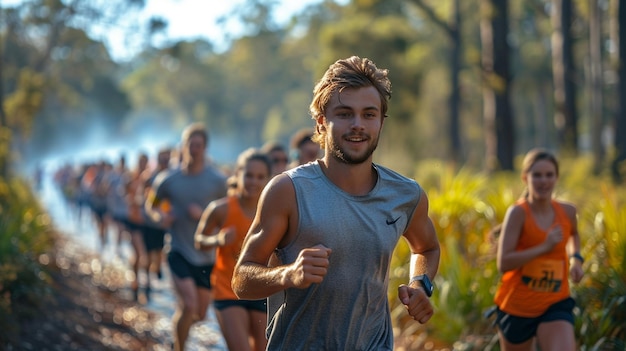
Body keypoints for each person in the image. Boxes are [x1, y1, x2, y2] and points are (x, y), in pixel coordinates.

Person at [232, 56, 441, 350]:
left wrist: (421, 284)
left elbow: (427, 247)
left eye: (369, 114)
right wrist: (288, 274)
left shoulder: (406, 195)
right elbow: (242, 280)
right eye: (344, 114)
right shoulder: (288, 190)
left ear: (381, 121)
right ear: (321, 121)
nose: (358, 125)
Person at [145, 123, 228, 351]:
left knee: (200, 313)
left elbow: (229, 214)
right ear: (183, 147)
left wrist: (204, 216)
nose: (194, 150)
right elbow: (151, 205)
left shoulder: (217, 180)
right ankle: (179, 348)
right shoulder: (168, 179)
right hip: (178, 249)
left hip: (206, 255)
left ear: (205, 148)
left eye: (198, 145)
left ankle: (177, 336)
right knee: (189, 305)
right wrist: (160, 216)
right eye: (190, 145)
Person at [494, 148, 584, 351]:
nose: (544, 181)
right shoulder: (518, 213)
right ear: (526, 178)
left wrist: (576, 259)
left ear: (557, 177)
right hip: (517, 307)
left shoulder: (567, 212)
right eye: (537, 175)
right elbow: (503, 262)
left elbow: (573, 234)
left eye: (549, 175)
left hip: (555, 302)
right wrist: (544, 247)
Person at [195, 148, 271, 351]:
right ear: (238, 174)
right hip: (227, 289)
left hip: (260, 290)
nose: (254, 182)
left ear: (268, 179)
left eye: (260, 177)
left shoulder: (273, 212)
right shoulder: (220, 208)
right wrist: (217, 239)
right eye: (248, 175)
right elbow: (199, 240)